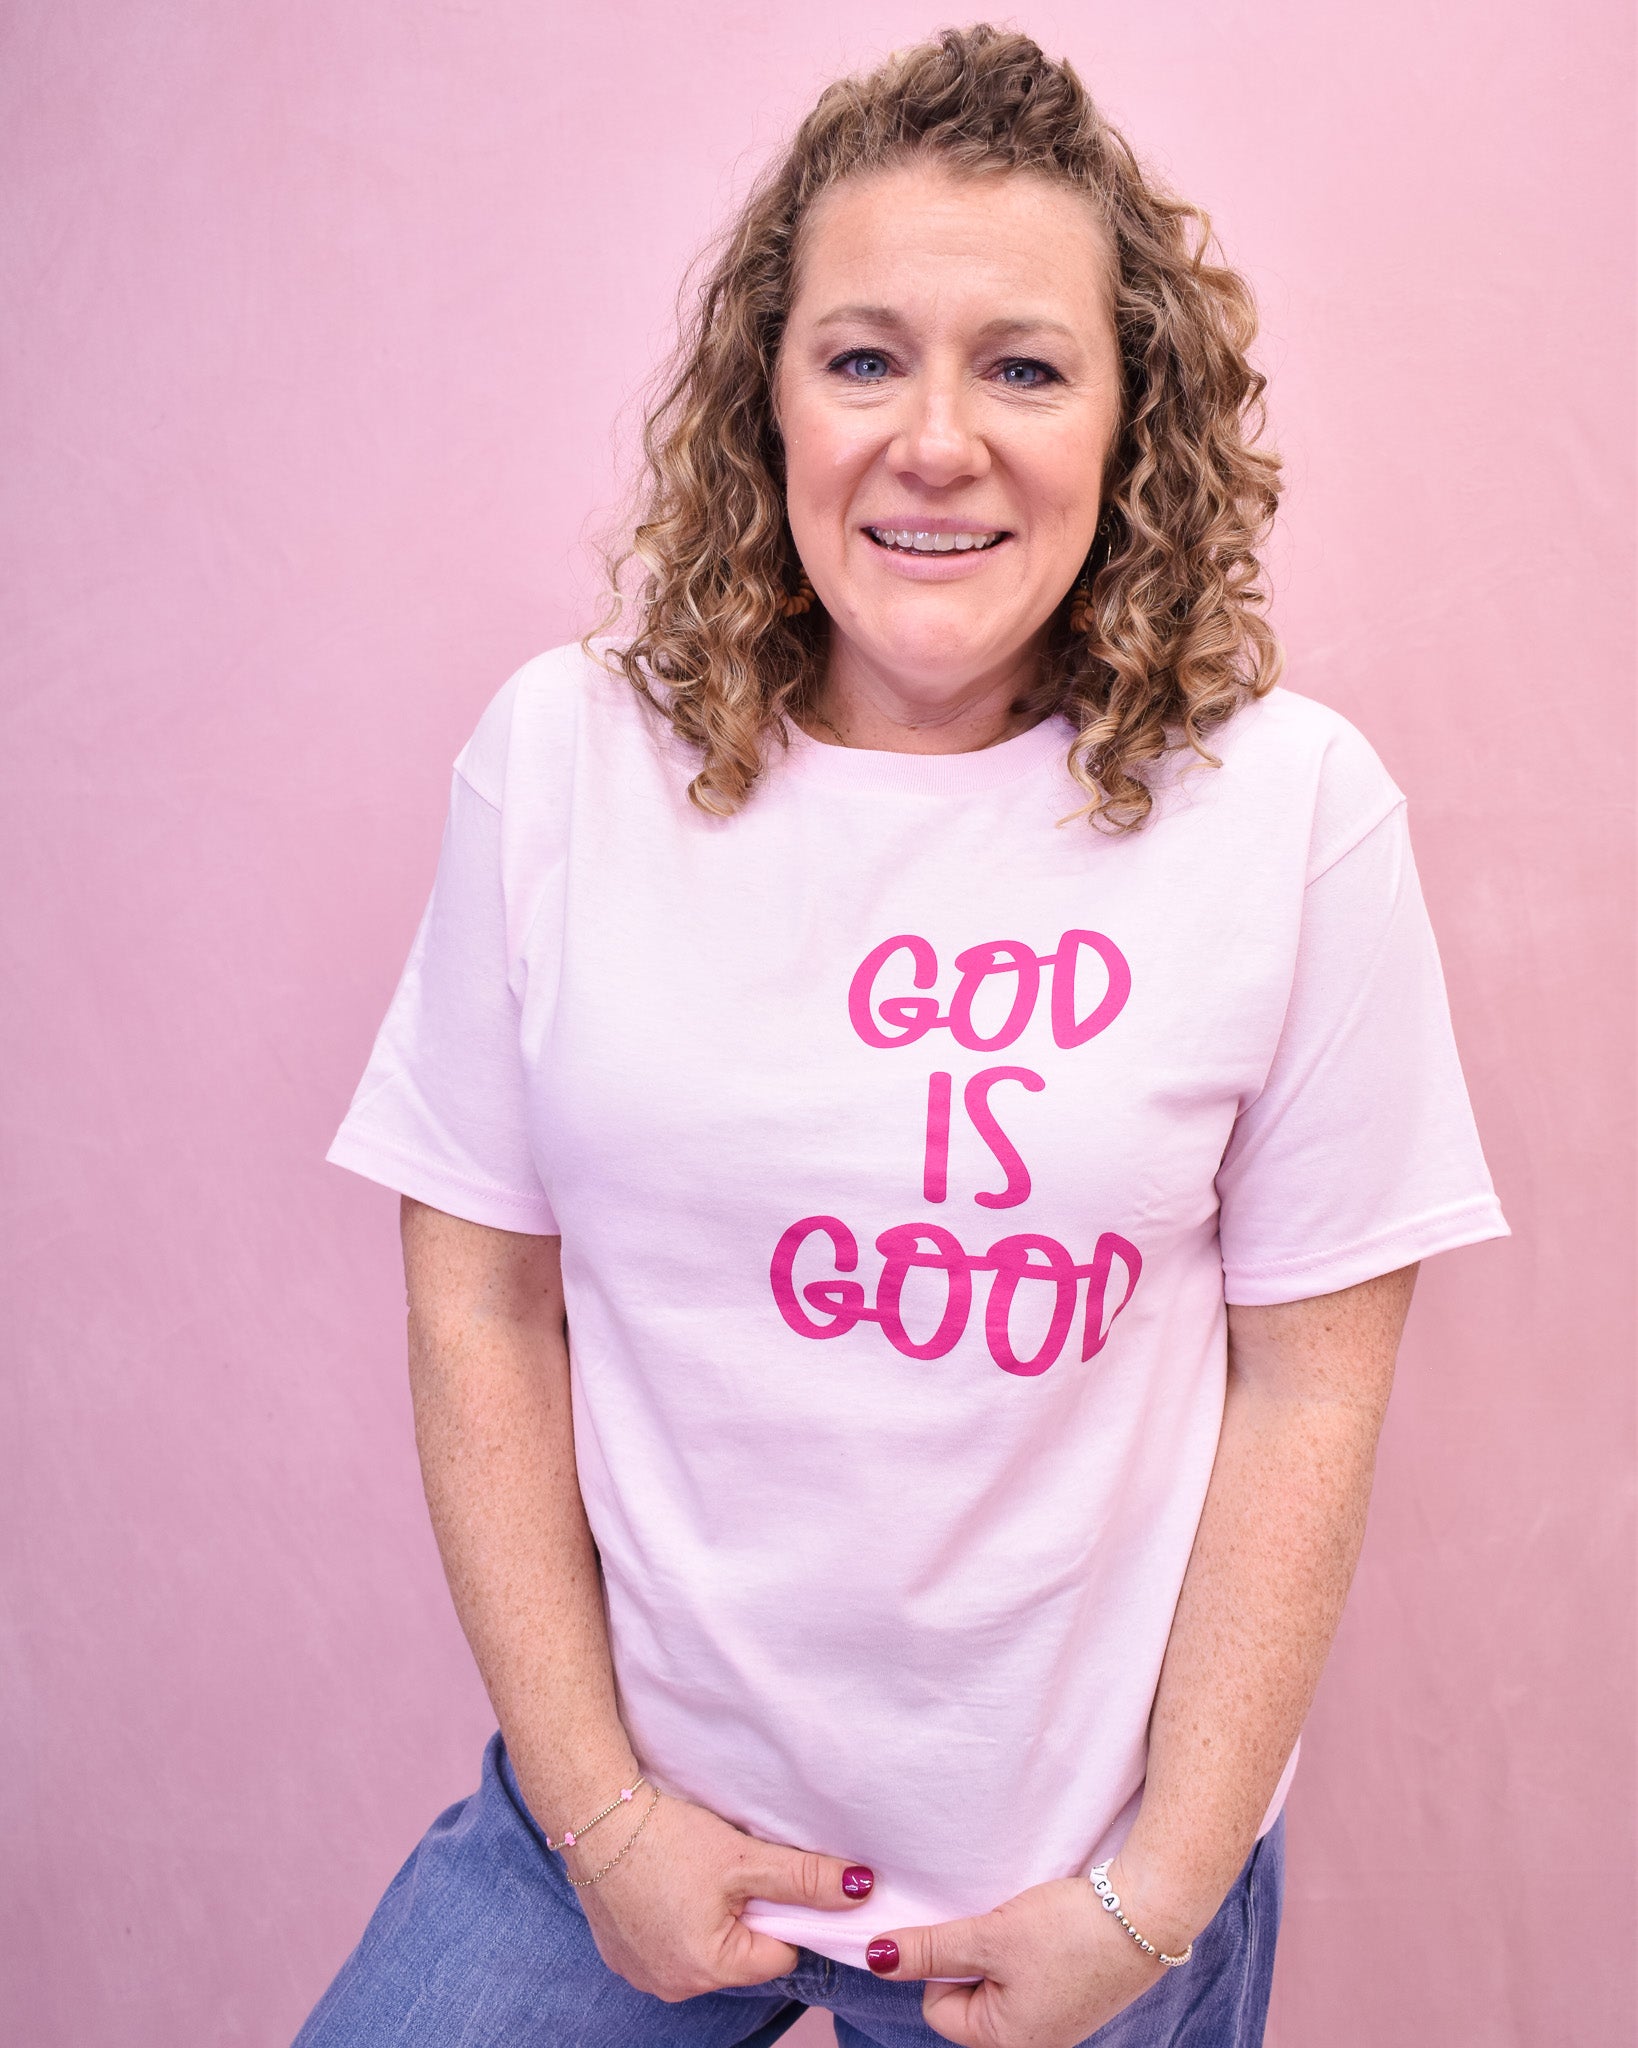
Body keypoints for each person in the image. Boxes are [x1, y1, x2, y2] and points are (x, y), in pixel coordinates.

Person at [299, 26, 1507, 2048]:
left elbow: (1308, 1384)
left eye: (1023, 366)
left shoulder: (1288, 811)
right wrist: (598, 1819)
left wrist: (1149, 1902)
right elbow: (484, 1306)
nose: (935, 439)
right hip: (635, 1796)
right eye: (864, 357)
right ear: (765, 399)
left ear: (1135, 424)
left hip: (1081, 1868)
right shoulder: (567, 760)